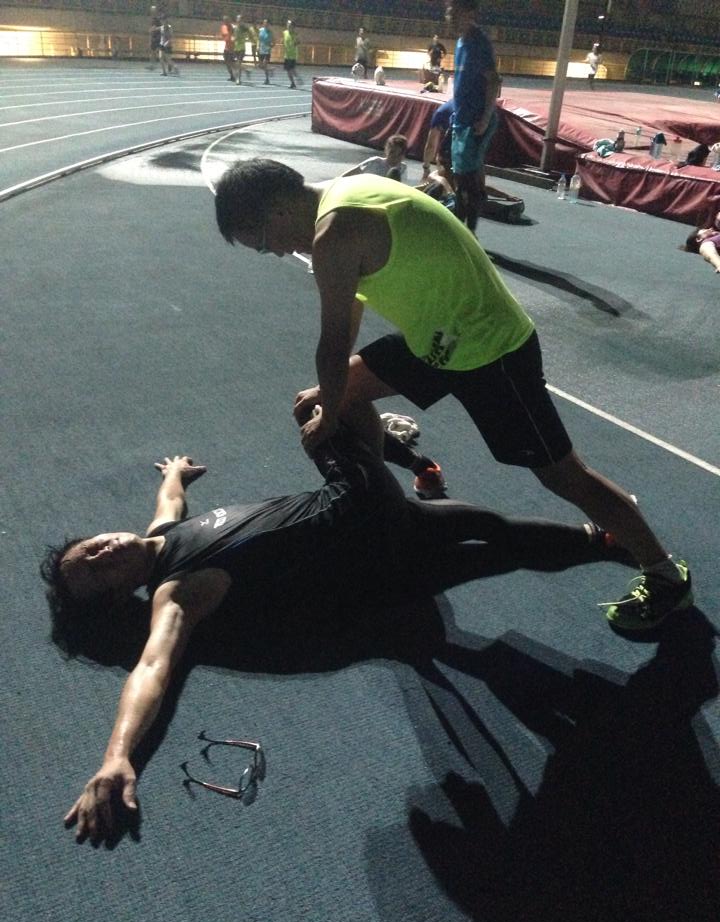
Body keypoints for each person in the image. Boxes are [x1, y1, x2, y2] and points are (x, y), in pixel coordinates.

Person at [43, 406, 627, 841]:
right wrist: (117, 756)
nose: (102, 552)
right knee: (322, 404)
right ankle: (400, 448)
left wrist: (174, 473)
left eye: (90, 548)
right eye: (96, 570)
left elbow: (170, 502)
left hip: (372, 531)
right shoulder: (175, 594)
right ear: (118, 594)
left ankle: (608, 540)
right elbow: (153, 667)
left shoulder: (161, 534)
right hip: (361, 521)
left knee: (492, 531)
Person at [213, 159, 693, 631]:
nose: (276, 253)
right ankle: (383, 513)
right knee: (328, 397)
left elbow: (333, 344)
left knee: (564, 476)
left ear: (275, 211)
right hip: (438, 338)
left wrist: (330, 417)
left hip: (489, 352)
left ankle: (664, 574)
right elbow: (351, 311)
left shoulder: (335, 233)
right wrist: (333, 401)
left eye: (263, 244)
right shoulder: (347, 191)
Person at [447, 0, 500, 233]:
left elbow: (493, 81)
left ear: (469, 13)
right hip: (461, 119)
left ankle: (469, 233)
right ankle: (464, 231)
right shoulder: (461, 42)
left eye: (455, 13)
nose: (450, 18)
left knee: (467, 180)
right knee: (460, 178)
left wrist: (485, 118)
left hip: (475, 122)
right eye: (449, 13)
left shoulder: (479, 43)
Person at [341, 135, 409, 183]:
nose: (395, 156)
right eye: (392, 152)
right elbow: (347, 175)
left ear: (404, 155)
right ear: (386, 150)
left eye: (399, 154)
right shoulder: (375, 162)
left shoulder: (403, 168)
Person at [233, 15, 254, 84]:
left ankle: (238, 79)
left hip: (242, 48)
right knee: (237, 64)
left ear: (242, 21)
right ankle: (246, 70)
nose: (239, 21)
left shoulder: (244, 28)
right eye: (238, 19)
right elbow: (233, 36)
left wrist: (249, 38)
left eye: (240, 20)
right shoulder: (235, 28)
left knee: (238, 63)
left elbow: (250, 34)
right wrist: (233, 39)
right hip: (235, 47)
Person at [283, 20, 300, 89]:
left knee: (291, 69)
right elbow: (284, 40)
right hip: (286, 55)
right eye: (287, 25)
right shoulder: (285, 32)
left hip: (293, 55)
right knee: (288, 70)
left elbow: (298, 42)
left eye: (290, 25)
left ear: (293, 26)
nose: (288, 26)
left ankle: (296, 79)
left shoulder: (295, 34)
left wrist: (296, 43)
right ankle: (293, 82)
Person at [257, 18, 274, 85]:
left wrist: (272, 45)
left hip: (267, 51)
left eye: (266, 22)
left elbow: (274, 41)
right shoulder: (260, 30)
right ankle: (270, 70)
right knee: (260, 66)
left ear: (268, 24)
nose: (265, 24)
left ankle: (267, 79)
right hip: (261, 50)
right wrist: (258, 46)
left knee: (264, 64)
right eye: (264, 22)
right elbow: (258, 39)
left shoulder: (270, 32)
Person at [219, 15, 235, 81]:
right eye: (224, 20)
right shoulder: (224, 27)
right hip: (226, 48)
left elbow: (235, 37)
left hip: (232, 49)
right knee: (227, 63)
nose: (225, 22)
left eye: (226, 20)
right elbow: (223, 36)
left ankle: (241, 71)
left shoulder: (233, 27)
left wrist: (232, 40)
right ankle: (232, 76)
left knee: (232, 63)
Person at [148, 5, 162, 71]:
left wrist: (153, 29)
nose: (152, 12)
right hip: (154, 37)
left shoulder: (157, 19)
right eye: (151, 10)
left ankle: (169, 65)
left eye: (153, 10)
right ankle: (152, 65)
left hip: (157, 38)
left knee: (159, 52)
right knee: (152, 52)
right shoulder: (153, 19)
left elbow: (161, 27)